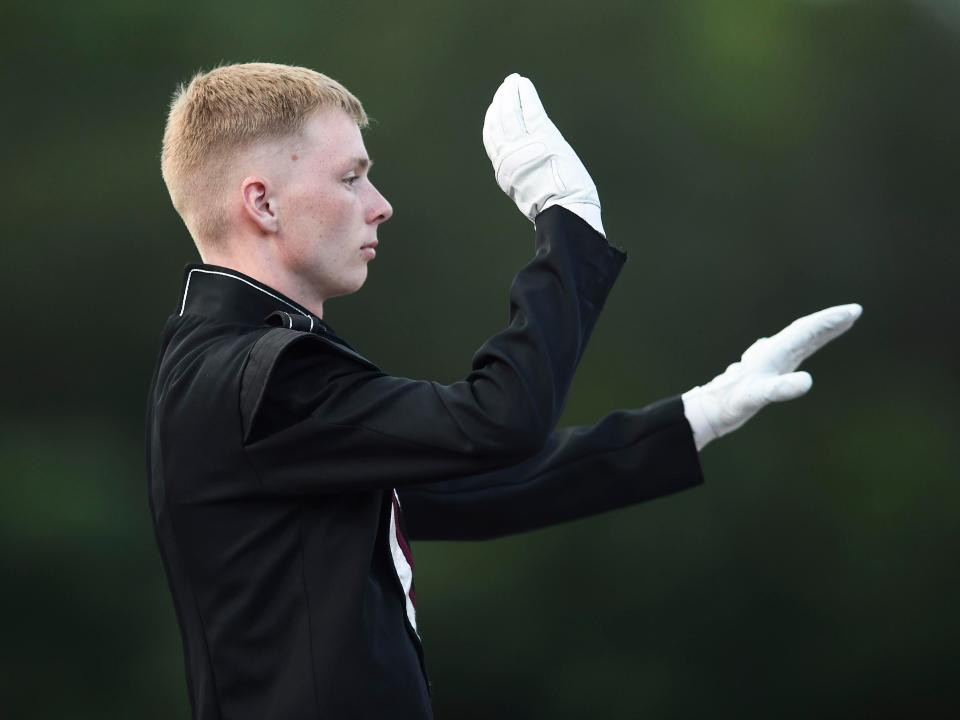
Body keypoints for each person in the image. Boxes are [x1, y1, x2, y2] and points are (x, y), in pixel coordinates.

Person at [146, 62, 861, 719]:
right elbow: (496, 423)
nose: (380, 204)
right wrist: (567, 223)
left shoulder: (227, 366)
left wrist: (695, 417)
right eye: (351, 177)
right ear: (263, 204)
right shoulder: (262, 375)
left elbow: (474, 485)